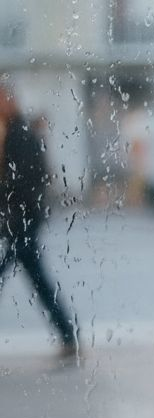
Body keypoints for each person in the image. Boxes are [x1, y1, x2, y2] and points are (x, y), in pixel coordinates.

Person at [0, 82, 77, 360]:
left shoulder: (21, 135)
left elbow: (28, 180)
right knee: (37, 277)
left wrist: (14, 211)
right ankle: (68, 335)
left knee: (35, 278)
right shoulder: (13, 133)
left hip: (21, 220)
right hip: (17, 219)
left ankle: (69, 336)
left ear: (10, 101)